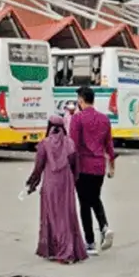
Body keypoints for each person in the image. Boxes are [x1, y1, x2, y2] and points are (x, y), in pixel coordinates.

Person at [25, 115, 89, 264]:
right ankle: (70, 250)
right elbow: (75, 165)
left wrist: (31, 183)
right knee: (66, 215)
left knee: (52, 216)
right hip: (66, 183)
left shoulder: (44, 144)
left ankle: (58, 251)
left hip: (50, 183)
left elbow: (38, 168)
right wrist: (74, 179)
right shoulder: (69, 143)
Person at [68, 85, 116, 255]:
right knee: (95, 198)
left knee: (84, 203)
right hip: (99, 167)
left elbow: (72, 144)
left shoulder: (77, 119)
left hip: (83, 166)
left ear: (80, 100)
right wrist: (112, 166)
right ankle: (104, 226)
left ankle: (90, 242)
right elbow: (109, 145)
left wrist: (69, 165)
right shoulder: (104, 119)